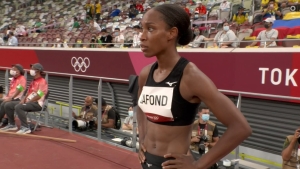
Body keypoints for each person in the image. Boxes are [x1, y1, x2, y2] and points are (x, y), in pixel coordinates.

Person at [137, 4, 252, 169]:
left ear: (172, 33)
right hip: (146, 161)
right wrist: (142, 139)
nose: (142, 36)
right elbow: (140, 106)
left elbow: (241, 128)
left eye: (150, 29)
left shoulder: (191, 76)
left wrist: (198, 165)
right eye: (142, 29)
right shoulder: (145, 73)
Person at [3, 63, 48, 134]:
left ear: (38, 71)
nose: (31, 70)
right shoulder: (33, 81)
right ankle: (11, 124)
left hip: (37, 103)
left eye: (33, 69)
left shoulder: (42, 81)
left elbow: (40, 95)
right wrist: (23, 100)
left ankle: (25, 127)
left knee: (19, 107)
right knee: (8, 105)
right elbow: (28, 93)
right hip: (28, 102)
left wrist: (28, 101)